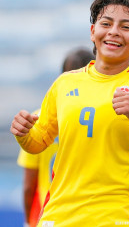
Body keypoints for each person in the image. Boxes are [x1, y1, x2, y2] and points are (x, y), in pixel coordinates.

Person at [11, 0, 129, 226]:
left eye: (126, 26)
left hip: (118, 218)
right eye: (106, 23)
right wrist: (23, 134)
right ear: (93, 31)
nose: (114, 31)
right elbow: (38, 142)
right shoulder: (64, 83)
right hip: (59, 217)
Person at [16, 47, 95, 227]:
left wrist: (28, 222)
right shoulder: (101, 117)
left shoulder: (38, 119)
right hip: (91, 215)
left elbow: (29, 185)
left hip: (51, 216)